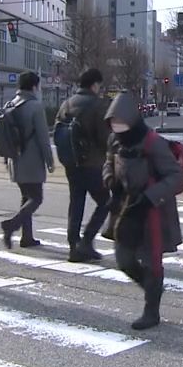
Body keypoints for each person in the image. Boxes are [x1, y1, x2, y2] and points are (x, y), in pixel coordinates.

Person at [103, 92, 183, 330]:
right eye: (112, 123)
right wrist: (109, 179)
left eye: (121, 122)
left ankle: (152, 309)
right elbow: (108, 163)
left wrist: (151, 197)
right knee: (124, 259)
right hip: (125, 207)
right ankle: (153, 287)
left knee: (152, 261)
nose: (117, 128)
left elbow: (176, 177)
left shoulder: (152, 142)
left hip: (152, 210)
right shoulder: (114, 140)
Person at [56, 68, 111, 262]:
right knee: (106, 202)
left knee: (76, 202)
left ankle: (74, 246)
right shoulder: (96, 105)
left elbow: (58, 132)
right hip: (91, 163)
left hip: (71, 163)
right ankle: (86, 241)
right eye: (99, 85)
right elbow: (104, 137)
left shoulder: (66, 104)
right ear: (94, 84)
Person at [0, 72, 55, 249]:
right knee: (36, 198)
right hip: (31, 160)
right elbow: (43, 137)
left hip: (14, 160)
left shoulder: (10, 104)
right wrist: (49, 160)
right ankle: (11, 225)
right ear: (34, 86)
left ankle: (27, 237)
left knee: (26, 197)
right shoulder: (35, 106)